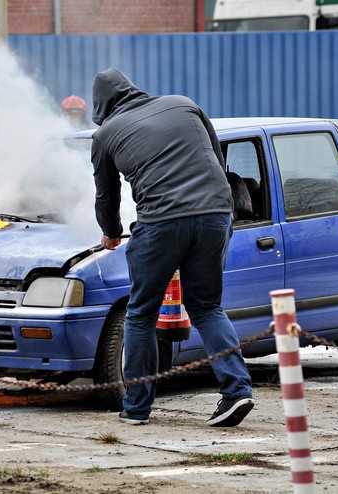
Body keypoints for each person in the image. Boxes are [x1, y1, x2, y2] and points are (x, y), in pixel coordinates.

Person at [90, 68, 254, 427]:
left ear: (101, 105)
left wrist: (112, 232)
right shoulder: (184, 105)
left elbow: (107, 196)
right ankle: (237, 391)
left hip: (162, 222)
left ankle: (136, 408)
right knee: (207, 307)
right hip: (215, 214)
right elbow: (217, 160)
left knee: (141, 314)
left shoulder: (105, 134)